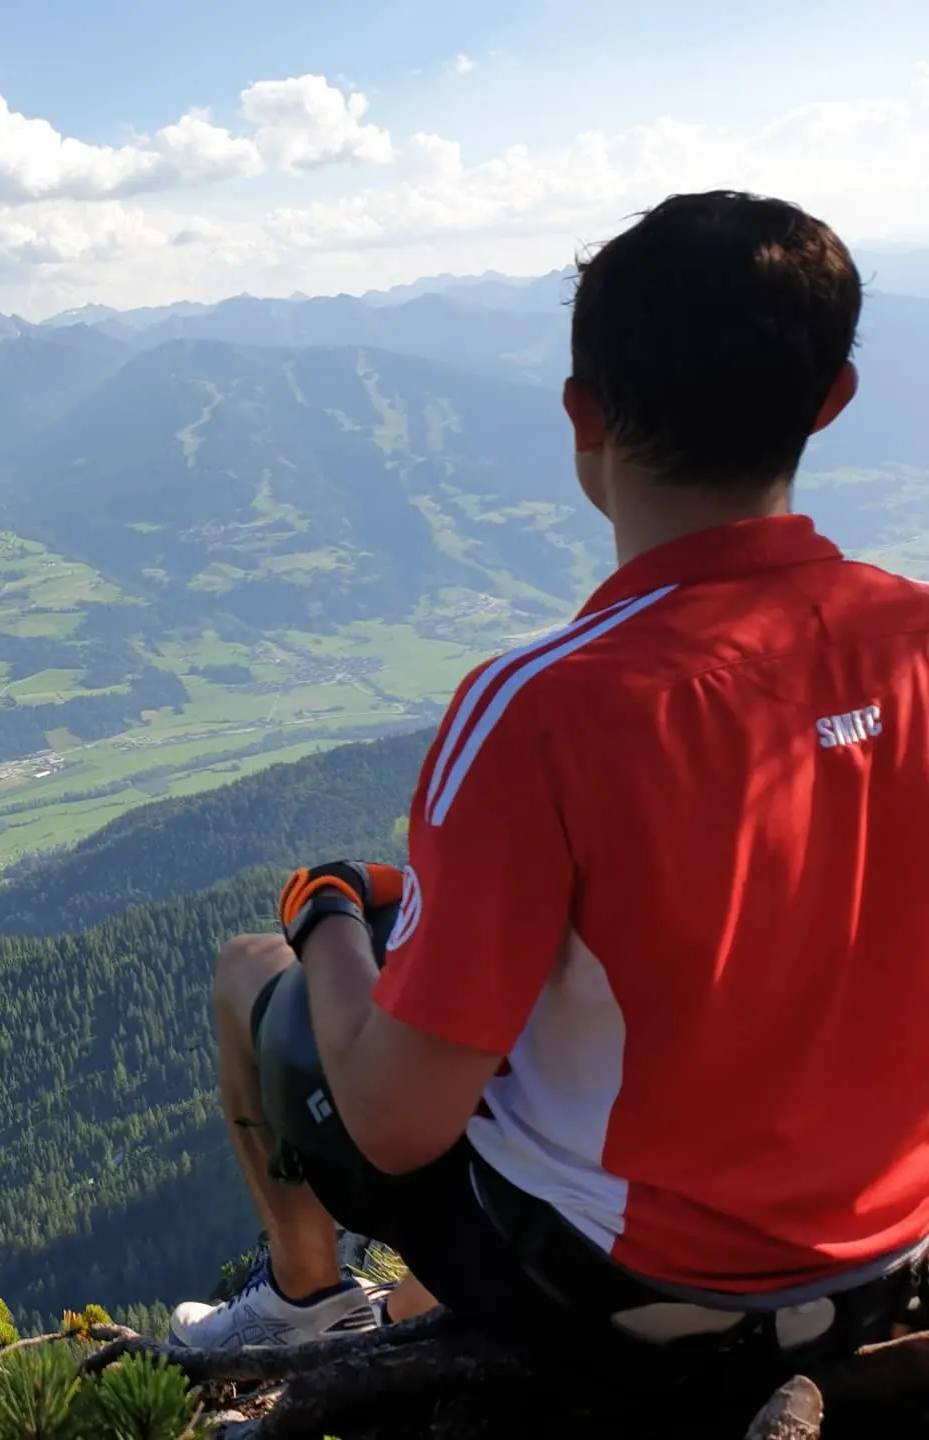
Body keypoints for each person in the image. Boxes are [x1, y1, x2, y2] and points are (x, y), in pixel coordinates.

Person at [171, 190, 929, 1386]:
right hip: (885, 1263)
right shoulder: (915, 638)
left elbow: (392, 1122)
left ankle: (306, 1295)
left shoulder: (538, 710)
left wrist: (321, 914)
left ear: (583, 415)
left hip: (627, 1297)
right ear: (832, 401)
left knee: (246, 971)